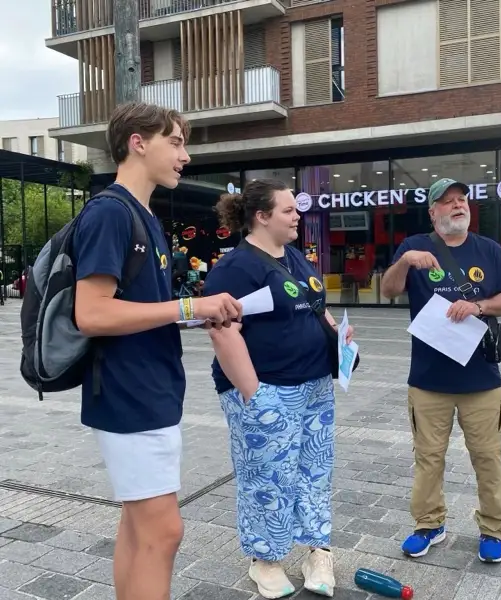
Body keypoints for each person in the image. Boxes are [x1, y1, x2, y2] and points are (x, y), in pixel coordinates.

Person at [72, 102, 243, 600]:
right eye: (176, 141)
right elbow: (93, 313)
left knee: (139, 525)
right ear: (138, 142)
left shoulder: (142, 215)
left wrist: (192, 312)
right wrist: (185, 305)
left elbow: (140, 308)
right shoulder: (111, 211)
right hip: (129, 391)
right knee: (163, 531)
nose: (184, 155)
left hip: (148, 386)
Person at [202, 179, 354, 599]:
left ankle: (316, 550)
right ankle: (265, 559)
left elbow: (315, 313)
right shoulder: (234, 268)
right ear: (262, 216)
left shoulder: (295, 259)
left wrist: (339, 335)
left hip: (314, 386)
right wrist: (254, 394)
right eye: (288, 210)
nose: (297, 216)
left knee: (314, 472)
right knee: (267, 476)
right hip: (267, 389)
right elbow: (222, 332)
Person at [381, 177, 501, 563]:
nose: (458, 205)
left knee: (488, 457)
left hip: (481, 379)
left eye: (462, 199)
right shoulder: (415, 247)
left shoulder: (488, 249)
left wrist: (478, 307)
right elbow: (390, 290)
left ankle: (494, 530)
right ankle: (429, 524)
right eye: (447, 201)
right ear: (433, 211)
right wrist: (404, 262)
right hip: (428, 380)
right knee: (428, 456)